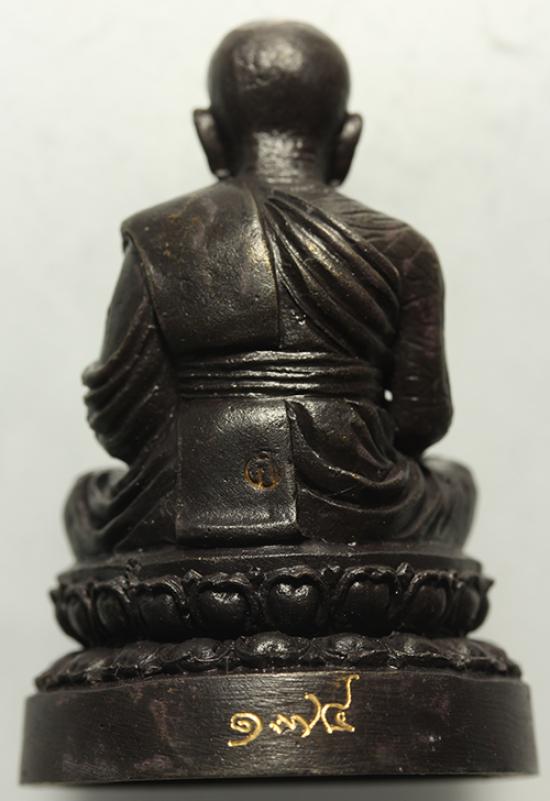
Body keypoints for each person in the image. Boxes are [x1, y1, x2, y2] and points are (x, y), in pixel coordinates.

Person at [66, 21, 476, 559]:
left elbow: (121, 421)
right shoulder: (403, 248)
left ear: (208, 134)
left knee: (86, 500)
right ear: (348, 139)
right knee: (455, 484)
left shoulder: (159, 236)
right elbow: (423, 421)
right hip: (358, 508)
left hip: (185, 502)